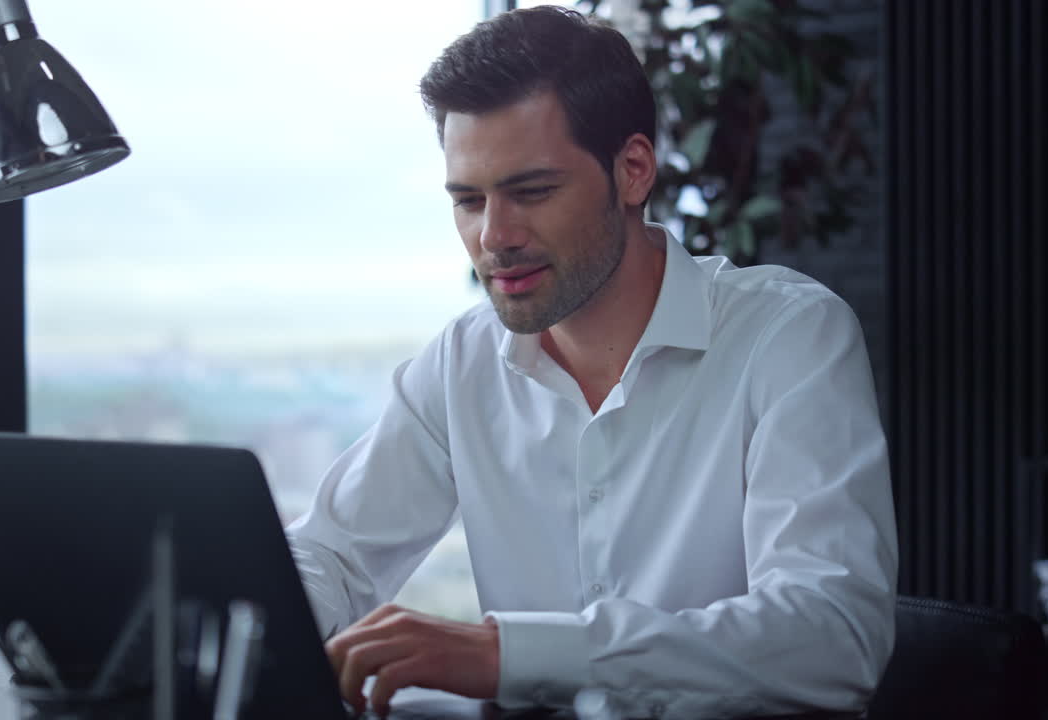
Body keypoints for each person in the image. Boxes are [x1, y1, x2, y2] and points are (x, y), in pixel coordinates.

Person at [287, 6, 897, 719]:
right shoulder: (460, 364)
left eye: (531, 192)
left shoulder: (788, 336)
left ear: (633, 170)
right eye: (468, 200)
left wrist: (505, 654)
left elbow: (831, 636)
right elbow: (329, 555)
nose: (494, 237)